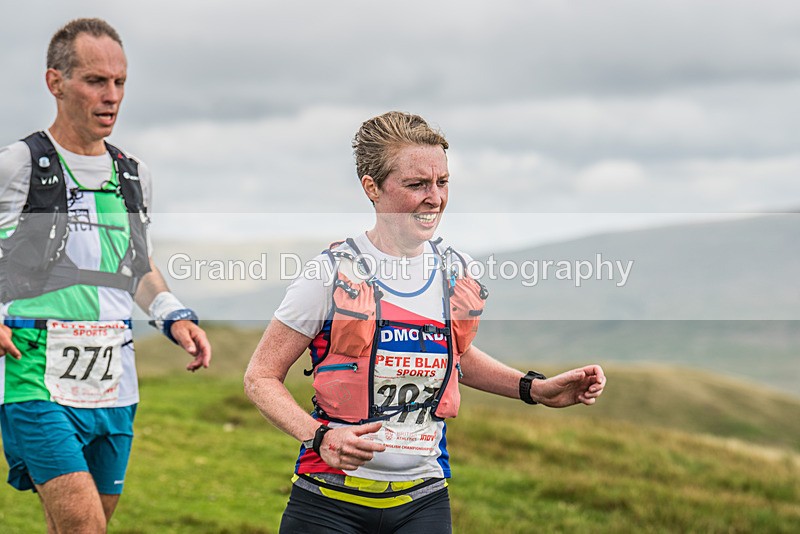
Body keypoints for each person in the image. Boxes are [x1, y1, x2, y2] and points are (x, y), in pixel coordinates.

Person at [244, 111, 606, 533]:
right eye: (416, 185)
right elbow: (261, 376)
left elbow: (457, 357)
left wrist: (534, 389)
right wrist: (319, 436)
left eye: (442, 182)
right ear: (372, 188)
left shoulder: (456, 271)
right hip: (327, 502)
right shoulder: (331, 273)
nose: (434, 197)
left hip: (423, 501)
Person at [0, 18, 211, 533]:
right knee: (84, 529)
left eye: (119, 82)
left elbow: (136, 266)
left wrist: (174, 316)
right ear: (56, 82)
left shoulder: (133, 173)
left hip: (114, 384)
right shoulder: (18, 165)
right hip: (34, 378)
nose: (111, 95)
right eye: (96, 81)